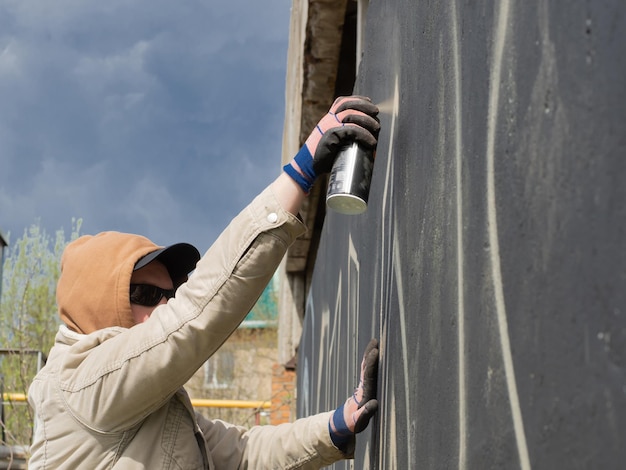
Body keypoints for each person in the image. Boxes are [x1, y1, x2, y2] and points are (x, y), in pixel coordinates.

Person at [27, 96, 381, 469]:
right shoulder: (78, 384)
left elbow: (243, 454)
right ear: (95, 302)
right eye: (146, 294)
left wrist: (338, 425)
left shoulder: (154, 411)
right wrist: (299, 173)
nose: (163, 307)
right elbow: (192, 318)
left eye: (170, 295)